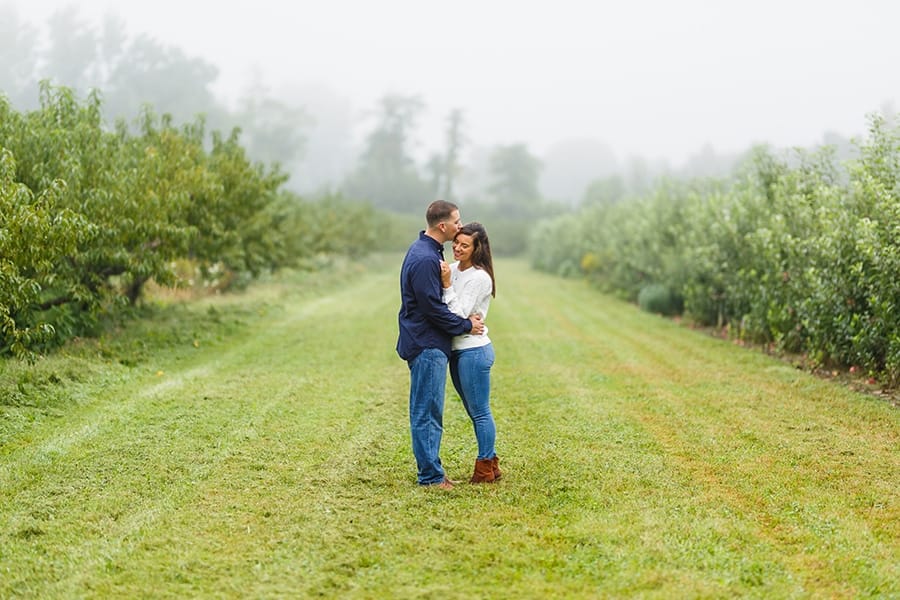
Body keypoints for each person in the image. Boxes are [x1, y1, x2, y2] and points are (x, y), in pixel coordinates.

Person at [397, 201, 484, 490]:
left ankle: (434, 471)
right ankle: (431, 477)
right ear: (443, 226)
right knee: (427, 411)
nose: (460, 226)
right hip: (427, 344)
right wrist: (465, 326)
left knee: (430, 409)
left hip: (429, 342)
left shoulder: (428, 252)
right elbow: (433, 308)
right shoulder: (424, 259)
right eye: (457, 222)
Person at [440, 222, 501, 483]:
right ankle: (493, 463)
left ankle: (485, 468)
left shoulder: (479, 277)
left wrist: (446, 286)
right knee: (472, 408)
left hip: (473, 351)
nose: (457, 248)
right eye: (456, 243)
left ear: (477, 248)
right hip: (457, 349)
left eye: (465, 245)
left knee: (479, 411)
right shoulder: (453, 269)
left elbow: (459, 314)